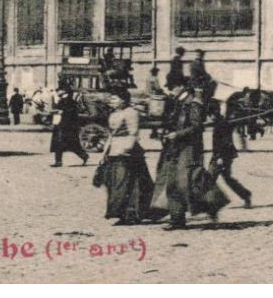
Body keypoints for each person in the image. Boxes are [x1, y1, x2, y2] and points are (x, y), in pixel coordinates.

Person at [151, 83, 226, 229]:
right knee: (172, 182)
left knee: (186, 183)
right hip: (175, 148)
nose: (170, 90)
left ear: (182, 87)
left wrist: (177, 134)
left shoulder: (193, 104)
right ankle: (177, 220)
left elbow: (197, 127)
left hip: (189, 149)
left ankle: (212, 205)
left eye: (173, 87)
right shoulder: (178, 102)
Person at [100, 90, 153, 225]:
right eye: (111, 99)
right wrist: (104, 153)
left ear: (123, 100)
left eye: (115, 98)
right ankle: (121, 213)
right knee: (115, 182)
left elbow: (133, 133)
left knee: (130, 184)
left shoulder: (131, 112)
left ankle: (131, 214)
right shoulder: (114, 114)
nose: (112, 101)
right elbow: (111, 135)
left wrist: (126, 149)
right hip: (114, 151)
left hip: (128, 152)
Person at [209, 100, 252, 207]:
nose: (210, 118)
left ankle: (208, 204)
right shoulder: (220, 121)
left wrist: (219, 157)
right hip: (224, 155)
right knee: (227, 179)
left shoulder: (221, 123)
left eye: (210, 115)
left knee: (209, 179)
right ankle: (246, 195)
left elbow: (225, 141)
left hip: (223, 156)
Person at [51, 83, 88, 167]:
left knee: (72, 144)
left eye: (59, 90)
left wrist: (62, 112)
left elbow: (71, 113)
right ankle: (58, 162)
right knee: (59, 143)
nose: (57, 92)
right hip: (60, 124)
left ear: (64, 91)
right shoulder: (62, 100)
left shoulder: (70, 101)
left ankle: (84, 156)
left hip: (68, 126)